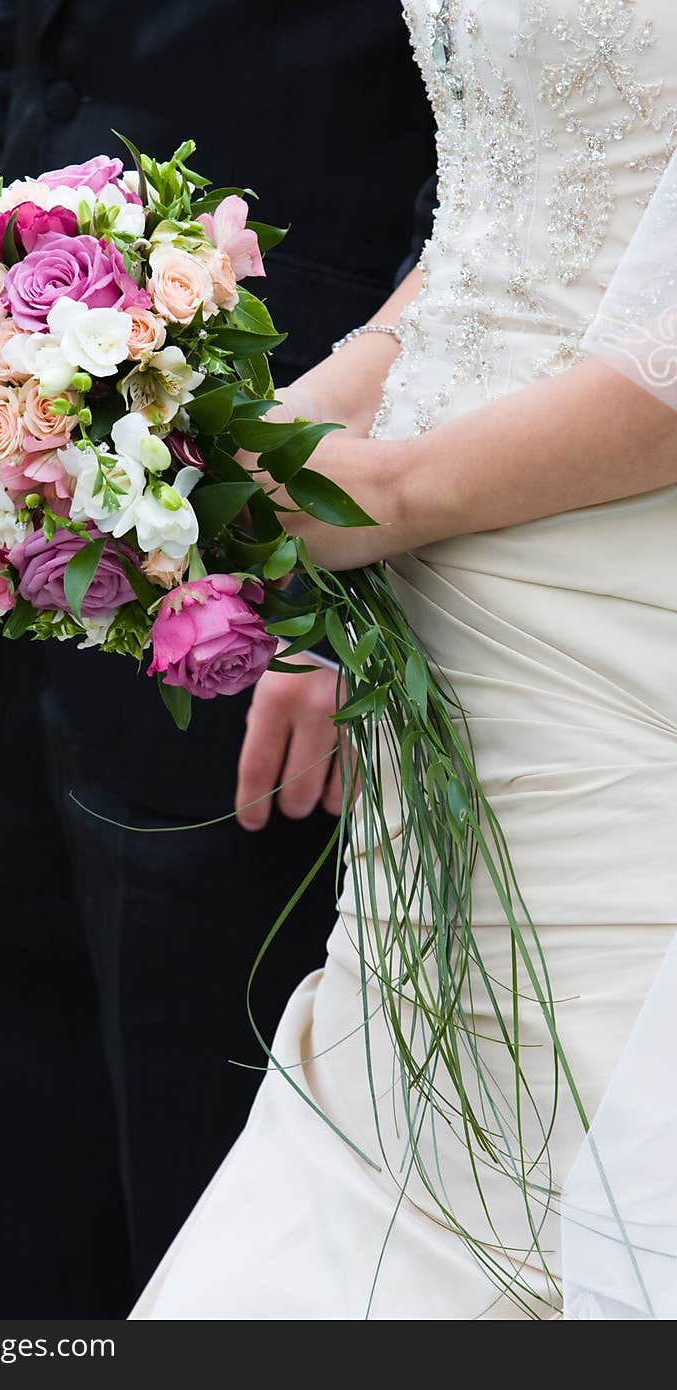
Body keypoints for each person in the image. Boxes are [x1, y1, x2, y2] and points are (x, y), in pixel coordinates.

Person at [0, 1, 436, 1316]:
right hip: (7, 559)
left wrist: (333, 570)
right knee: (12, 1214)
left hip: (263, 594)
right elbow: (8, 85)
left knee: (210, 1217)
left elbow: (472, 173)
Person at [131, 0, 677, 1321]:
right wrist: (230, 437)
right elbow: (510, 218)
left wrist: (388, 489)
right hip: (454, 582)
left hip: (611, 581)